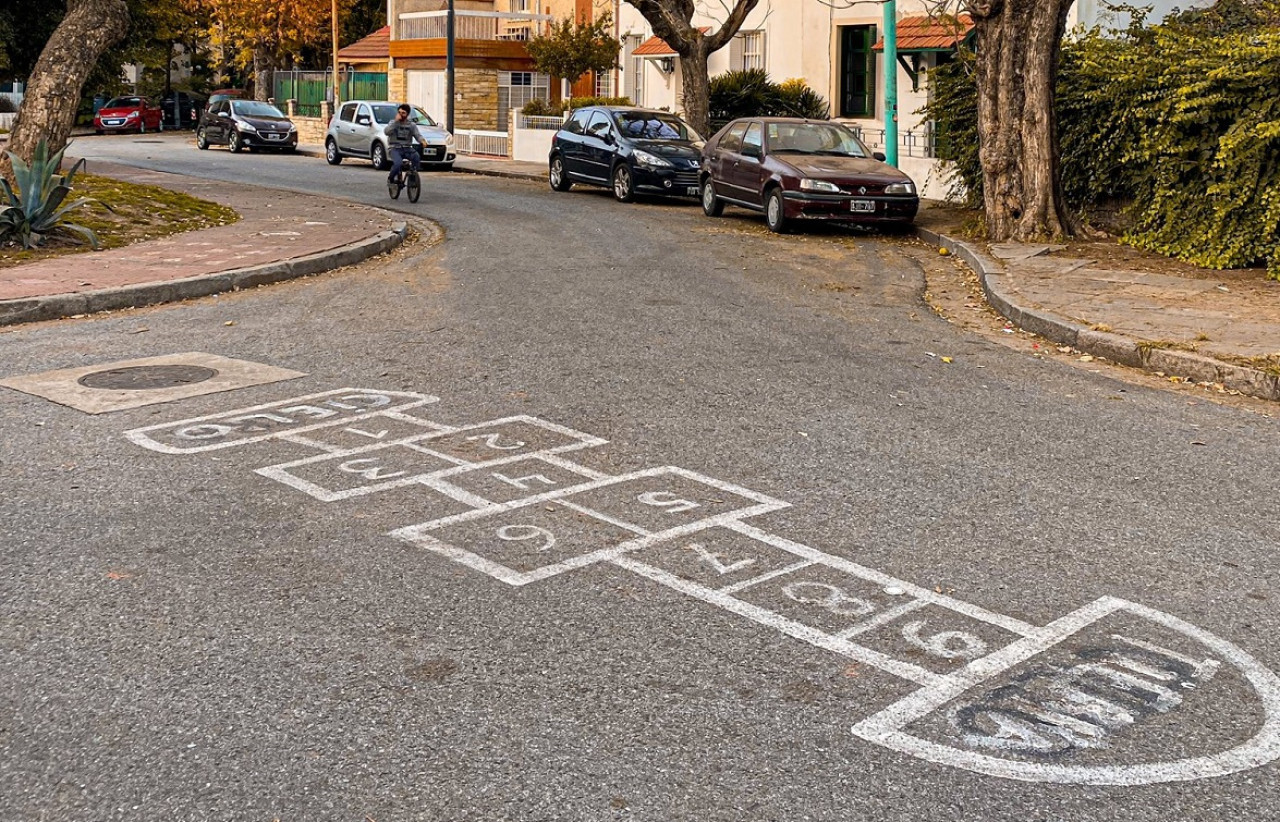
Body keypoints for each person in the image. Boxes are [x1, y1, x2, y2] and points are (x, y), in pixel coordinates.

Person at [384, 103, 425, 185]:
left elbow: (417, 135)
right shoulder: (392, 123)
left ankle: (412, 178)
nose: (401, 115)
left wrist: (422, 141)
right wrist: (396, 122)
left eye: (403, 113)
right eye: (399, 112)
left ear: (407, 114)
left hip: (407, 148)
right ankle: (391, 178)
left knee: (416, 157)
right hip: (394, 148)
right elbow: (386, 132)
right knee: (398, 163)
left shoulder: (411, 125)